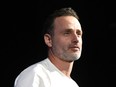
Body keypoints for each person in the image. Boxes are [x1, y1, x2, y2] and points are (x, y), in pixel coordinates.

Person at [14, 7, 83, 87]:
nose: (76, 39)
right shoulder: (35, 74)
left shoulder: (73, 85)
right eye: (67, 33)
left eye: (78, 33)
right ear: (49, 40)